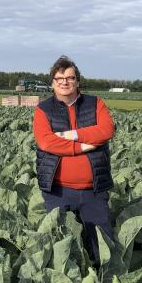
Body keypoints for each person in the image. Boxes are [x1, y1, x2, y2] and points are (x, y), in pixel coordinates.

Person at [33, 56, 115, 264]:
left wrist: (71, 135)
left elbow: (106, 130)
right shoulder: (43, 110)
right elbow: (46, 142)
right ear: (52, 83)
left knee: (101, 248)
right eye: (59, 78)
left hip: (93, 190)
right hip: (58, 191)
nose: (64, 82)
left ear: (78, 81)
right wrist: (82, 146)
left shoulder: (95, 103)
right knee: (61, 248)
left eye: (70, 77)